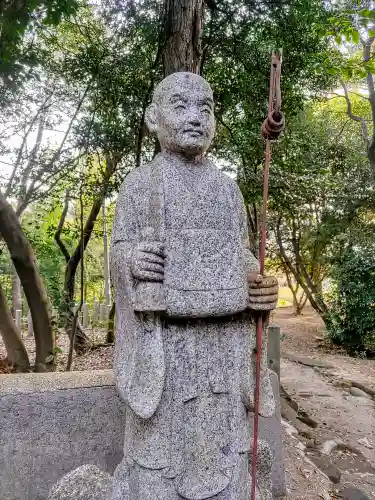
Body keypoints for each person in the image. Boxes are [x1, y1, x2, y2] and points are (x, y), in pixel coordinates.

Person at [110, 72, 278, 500]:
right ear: (153, 118)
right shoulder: (140, 186)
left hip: (221, 351)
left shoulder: (227, 191)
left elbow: (241, 256)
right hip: (166, 349)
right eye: (181, 106)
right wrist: (131, 260)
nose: (195, 118)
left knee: (224, 454)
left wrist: (258, 285)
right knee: (157, 461)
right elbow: (119, 253)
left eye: (205, 109)